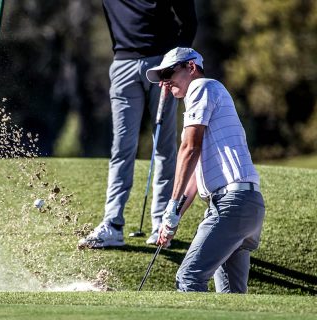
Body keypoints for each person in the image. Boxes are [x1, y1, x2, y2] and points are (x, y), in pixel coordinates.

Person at [78, 0, 198, 249]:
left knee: (164, 147)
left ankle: (161, 225)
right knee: (122, 148)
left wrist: (174, 65)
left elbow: (189, 20)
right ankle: (112, 225)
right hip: (123, 65)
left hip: (161, 64)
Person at [145, 47, 266, 293]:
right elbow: (194, 176)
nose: (165, 82)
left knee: (188, 278)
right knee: (230, 299)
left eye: (169, 73)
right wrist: (174, 217)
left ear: (191, 67)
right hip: (245, 205)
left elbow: (189, 148)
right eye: (161, 78)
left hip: (232, 205)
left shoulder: (202, 87)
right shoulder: (205, 99)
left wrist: (170, 204)